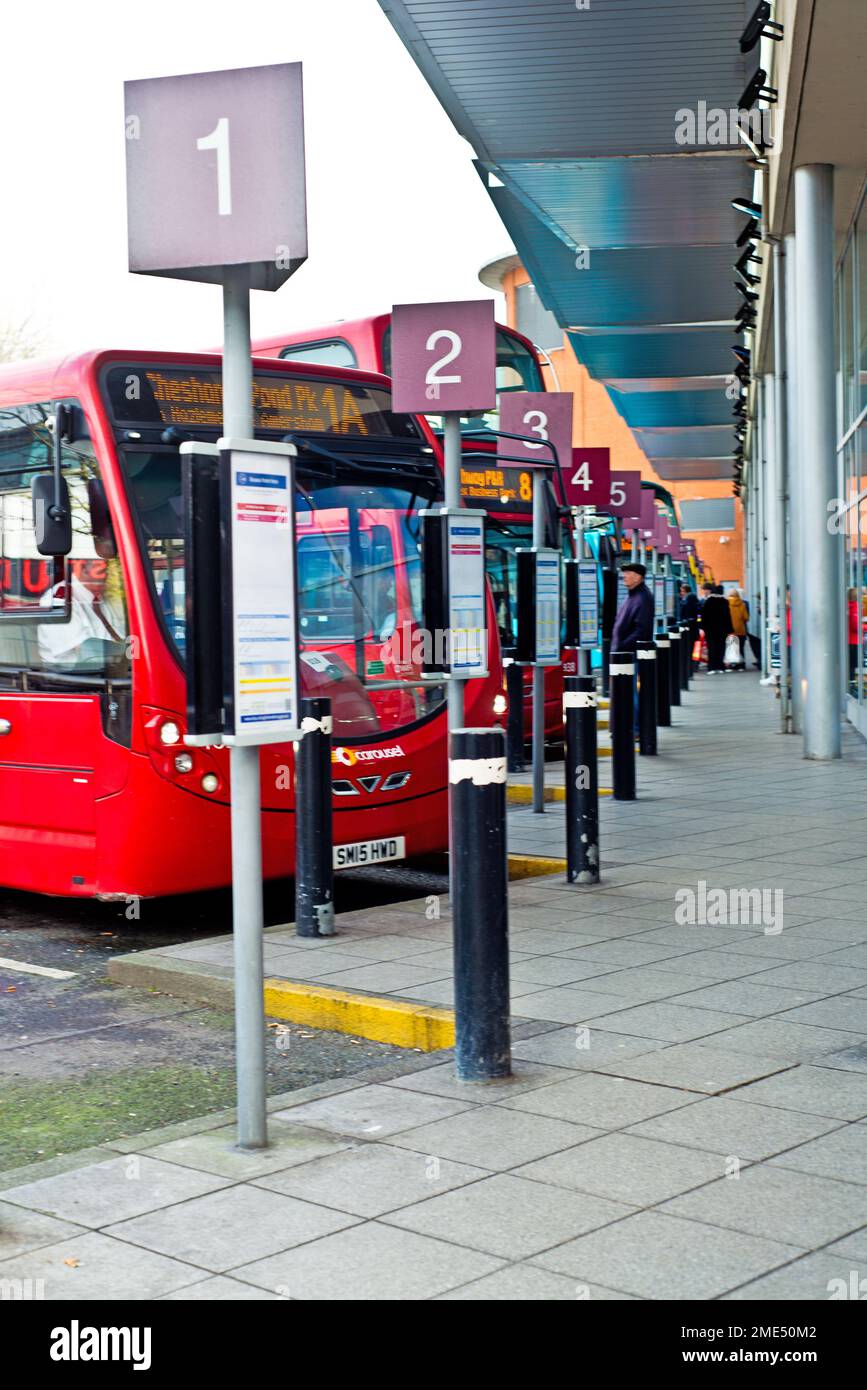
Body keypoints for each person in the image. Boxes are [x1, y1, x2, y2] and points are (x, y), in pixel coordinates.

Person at [611, 562, 654, 732]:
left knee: (629, 692)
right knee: (625, 691)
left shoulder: (642, 597)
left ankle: (634, 728)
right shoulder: (634, 595)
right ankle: (627, 728)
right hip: (624, 653)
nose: (624, 576)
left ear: (638, 577)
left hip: (628, 653)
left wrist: (622, 646)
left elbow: (641, 630)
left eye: (628, 573)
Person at [700, 583, 731, 674]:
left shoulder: (708, 601)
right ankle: (720, 667)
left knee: (712, 648)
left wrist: (702, 627)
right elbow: (728, 616)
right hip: (722, 629)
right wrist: (729, 628)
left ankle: (712, 667)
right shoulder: (725, 601)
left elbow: (703, 616)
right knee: (721, 648)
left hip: (710, 630)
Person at [679, 583, 700, 672]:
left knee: (689, 647)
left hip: (689, 628)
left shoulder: (689, 599)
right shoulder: (690, 599)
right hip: (692, 628)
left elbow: (687, 612)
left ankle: (691, 666)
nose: (681, 593)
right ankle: (693, 665)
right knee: (691, 647)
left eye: (682, 591)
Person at [728, 587, 749, 669]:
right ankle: (741, 665)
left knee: (732, 648)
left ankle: (733, 665)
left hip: (730, 629)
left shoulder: (726, 603)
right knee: (741, 648)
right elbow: (746, 617)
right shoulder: (742, 604)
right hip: (740, 629)